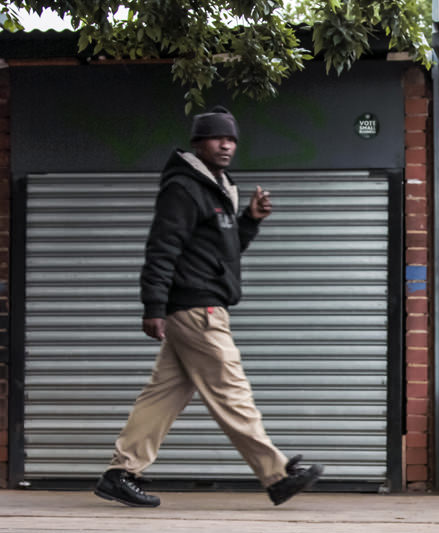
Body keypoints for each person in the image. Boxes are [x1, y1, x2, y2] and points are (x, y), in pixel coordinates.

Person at [94, 106, 323, 508]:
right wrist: (153, 305)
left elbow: (224, 253)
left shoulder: (217, 189)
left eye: (232, 139)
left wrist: (249, 220)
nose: (227, 145)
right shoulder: (184, 188)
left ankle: (121, 472)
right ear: (198, 143)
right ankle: (276, 473)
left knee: (162, 395)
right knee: (231, 391)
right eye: (218, 138)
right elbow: (161, 248)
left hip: (199, 305)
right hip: (198, 310)